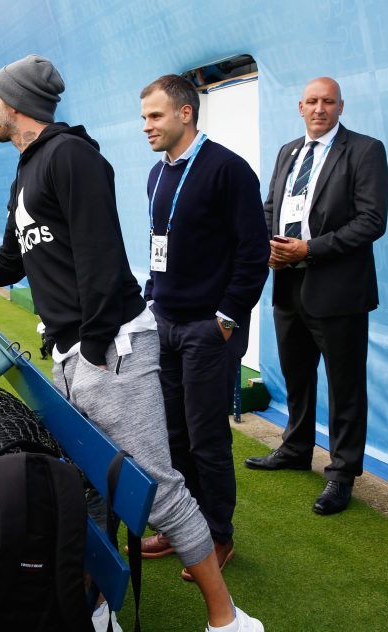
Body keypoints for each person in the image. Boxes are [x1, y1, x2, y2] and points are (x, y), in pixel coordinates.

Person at [0, 54, 262, 632]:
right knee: (87, 487)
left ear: (16, 103)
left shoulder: (72, 156)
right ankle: (96, 609)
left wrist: (96, 348)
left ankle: (227, 620)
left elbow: (102, 260)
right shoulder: (26, 168)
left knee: (160, 488)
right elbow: (8, 261)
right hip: (72, 353)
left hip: (112, 349)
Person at [136, 75, 268, 578]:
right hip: (165, 324)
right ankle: (180, 529)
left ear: (185, 114)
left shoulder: (228, 170)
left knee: (206, 437)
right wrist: (152, 302)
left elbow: (254, 253)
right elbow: (159, 246)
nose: (146, 125)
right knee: (170, 435)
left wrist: (227, 318)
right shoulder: (156, 174)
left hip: (208, 331)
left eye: (155, 116)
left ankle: (217, 537)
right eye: (144, 116)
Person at [244, 77, 388, 516]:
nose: (319, 108)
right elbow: (270, 208)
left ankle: (342, 474)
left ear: (341, 107)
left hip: (339, 290)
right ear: (300, 106)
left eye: (328, 102)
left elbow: (372, 220)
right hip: (288, 283)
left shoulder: (365, 150)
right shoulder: (289, 151)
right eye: (312, 101)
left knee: (345, 386)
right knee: (297, 374)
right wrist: (265, 246)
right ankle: (296, 447)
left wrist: (311, 249)